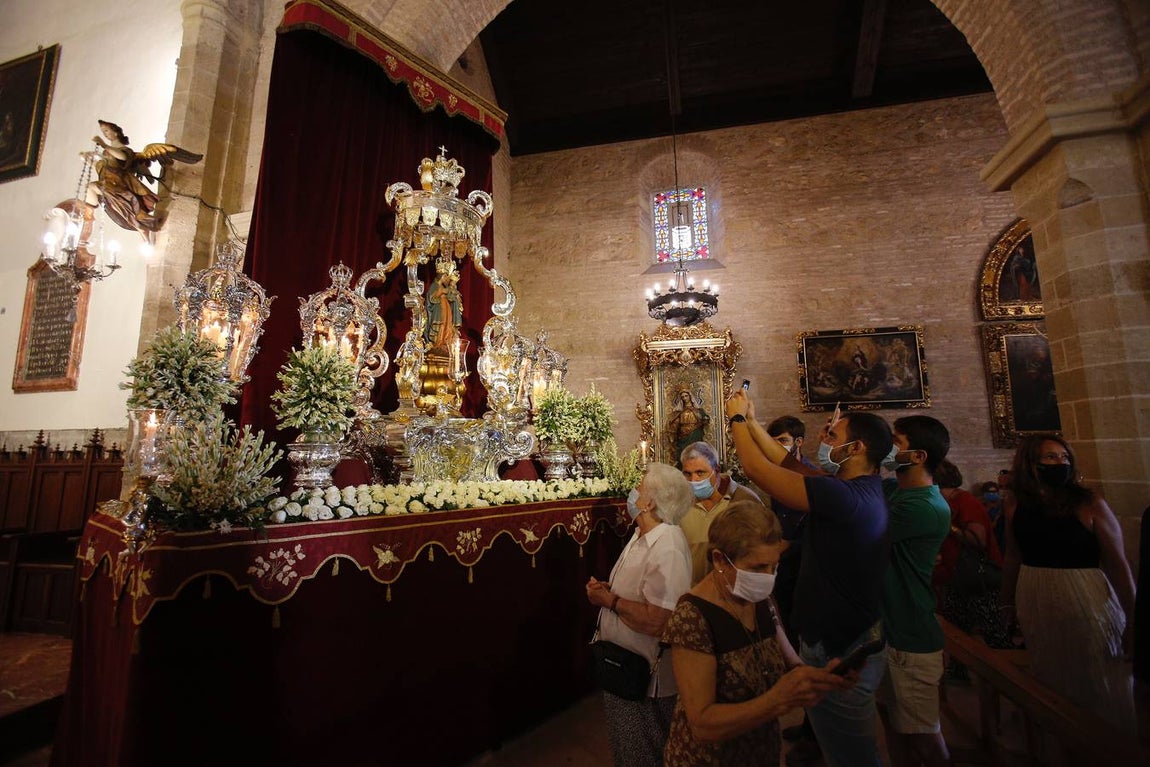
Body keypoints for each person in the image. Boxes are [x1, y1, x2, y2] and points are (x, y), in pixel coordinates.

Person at [725, 390, 892, 767]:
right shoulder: (854, 489)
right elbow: (788, 463)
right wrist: (752, 422)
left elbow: (758, 471)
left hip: (841, 646)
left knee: (851, 757)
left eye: (833, 436)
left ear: (857, 448)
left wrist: (735, 420)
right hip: (837, 637)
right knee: (840, 749)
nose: (825, 440)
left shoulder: (846, 497)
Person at [662, 501, 853, 765]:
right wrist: (775, 701)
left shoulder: (759, 597)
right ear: (720, 560)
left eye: (773, 567)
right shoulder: (691, 617)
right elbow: (702, 724)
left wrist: (820, 678)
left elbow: (790, 663)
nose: (768, 577)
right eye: (757, 568)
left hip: (760, 752)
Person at [999, 435, 1137, 734]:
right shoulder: (1015, 503)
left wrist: (1133, 617)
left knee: (1099, 673)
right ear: (1030, 463)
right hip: (1035, 590)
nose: (1060, 463)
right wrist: (1007, 600)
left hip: (1084, 591)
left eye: (1064, 457)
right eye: (1051, 457)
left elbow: (1117, 563)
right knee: (1052, 673)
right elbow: (1012, 556)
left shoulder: (1089, 502)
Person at [586, 462, 694, 766]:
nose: (633, 492)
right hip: (624, 665)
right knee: (628, 747)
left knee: (642, 752)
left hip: (645, 675)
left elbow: (661, 621)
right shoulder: (641, 535)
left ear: (648, 502)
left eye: (639, 486)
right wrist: (612, 590)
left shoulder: (668, 546)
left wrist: (610, 601)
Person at [876, 416, 953, 767]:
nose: (887, 448)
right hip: (888, 631)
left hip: (912, 635)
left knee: (924, 739)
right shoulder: (894, 490)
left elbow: (860, 524)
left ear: (919, 456)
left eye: (895, 442)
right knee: (895, 729)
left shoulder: (924, 506)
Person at [764, 415, 821, 762]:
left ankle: (816, 731)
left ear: (798, 442)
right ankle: (809, 721)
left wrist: (789, 546)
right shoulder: (780, 475)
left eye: (783, 439)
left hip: (805, 565)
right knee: (792, 634)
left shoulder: (810, 475)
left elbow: (814, 528)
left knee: (807, 644)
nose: (779, 446)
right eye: (775, 440)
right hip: (786, 567)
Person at [935, 461, 1009, 653]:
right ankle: (958, 670)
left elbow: (978, 539)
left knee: (992, 630)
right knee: (956, 630)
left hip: (977, 576)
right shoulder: (947, 501)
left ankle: (1005, 676)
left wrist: (948, 525)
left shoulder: (965, 501)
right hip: (957, 575)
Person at [678, 440, 765, 585]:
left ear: (716, 471)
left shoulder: (745, 501)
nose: (693, 480)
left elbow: (762, 551)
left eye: (700, 473)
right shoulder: (680, 503)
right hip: (692, 591)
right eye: (687, 474)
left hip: (732, 593)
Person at [666, 387, 710, 463]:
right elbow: (675, 424)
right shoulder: (680, 411)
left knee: (696, 452)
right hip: (683, 436)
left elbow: (705, 419)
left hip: (696, 433)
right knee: (684, 453)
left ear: (690, 396)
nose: (684, 398)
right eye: (682, 397)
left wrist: (705, 419)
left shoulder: (698, 410)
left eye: (686, 396)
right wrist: (672, 432)